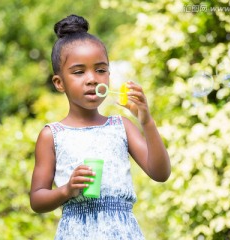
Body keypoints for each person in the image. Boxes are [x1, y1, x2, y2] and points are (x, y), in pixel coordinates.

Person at [30, 14, 171, 240]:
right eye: (78, 72)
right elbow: (37, 199)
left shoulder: (121, 126)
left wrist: (147, 121)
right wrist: (66, 190)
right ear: (59, 82)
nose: (92, 79)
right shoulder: (52, 135)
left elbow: (160, 173)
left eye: (100, 70)